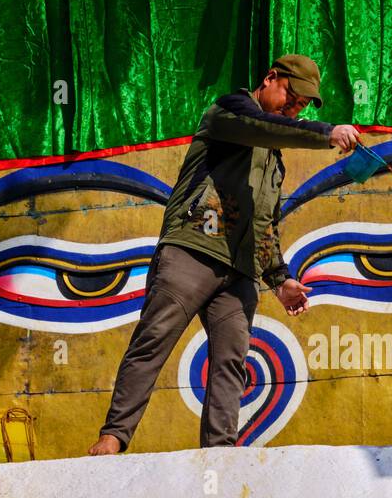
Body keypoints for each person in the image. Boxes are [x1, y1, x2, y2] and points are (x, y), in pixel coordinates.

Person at [88, 54, 360, 454]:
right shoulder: (230, 111)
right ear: (270, 78)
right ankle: (113, 437)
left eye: (301, 106)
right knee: (153, 341)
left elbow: (265, 223)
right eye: (291, 97)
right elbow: (264, 127)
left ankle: (220, 456)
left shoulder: (274, 163)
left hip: (239, 273)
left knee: (231, 363)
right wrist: (326, 133)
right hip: (192, 250)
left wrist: (280, 279)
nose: (293, 108)